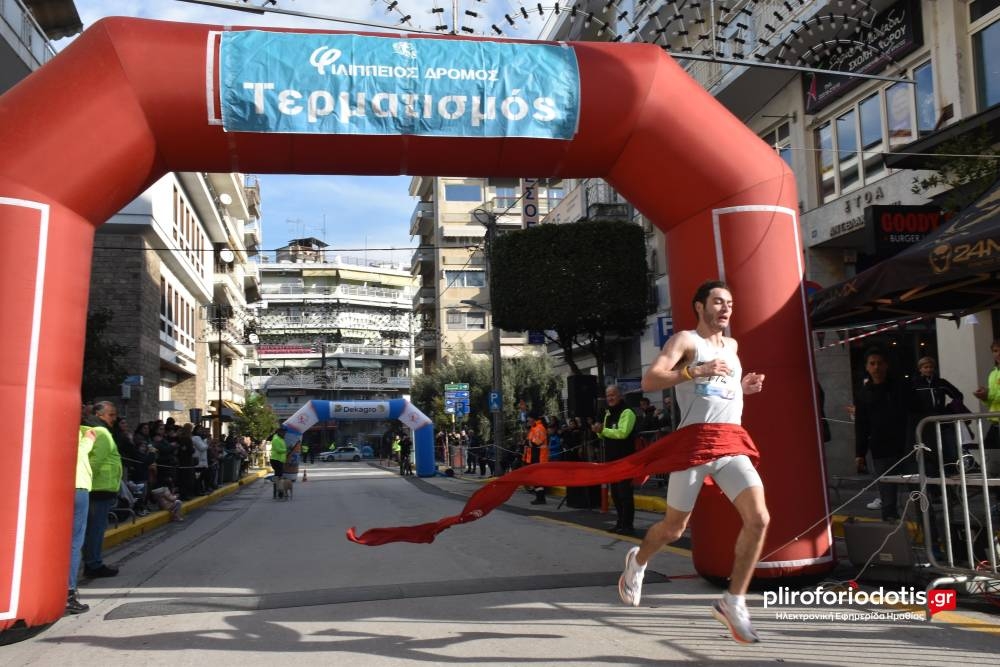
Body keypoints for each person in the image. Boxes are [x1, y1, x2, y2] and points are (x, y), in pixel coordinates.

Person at [618, 280, 767, 644]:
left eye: (730, 302)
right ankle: (636, 563)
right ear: (699, 306)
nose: (726, 308)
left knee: (759, 518)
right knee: (673, 529)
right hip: (696, 445)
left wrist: (742, 387)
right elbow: (650, 379)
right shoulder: (686, 341)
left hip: (731, 441)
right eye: (718, 301)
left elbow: (720, 389)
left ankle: (733, 601)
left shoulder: (732, 346)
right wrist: (693, 371)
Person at [854, 347, 912, 521]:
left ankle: (931, 538)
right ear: (867, 367)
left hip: (906, 448)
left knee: (918, 495)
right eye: (872, 364)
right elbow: (861, 425)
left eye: (879, 363)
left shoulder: (900, 387)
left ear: (886, 365)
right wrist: (860, 453)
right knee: (887, 499)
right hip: (881, 450)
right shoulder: (864, 394)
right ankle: (893, 537)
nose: (876, 367)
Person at [82, 401, 123, 579]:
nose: (114, 418)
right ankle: (94, 564)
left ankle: (93, 562)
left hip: (96, 487)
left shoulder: (90, 430)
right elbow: (95, 461)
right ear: (99, 415)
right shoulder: (102, 432)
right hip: (99, 487)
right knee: (96, 528)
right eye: (111, 414)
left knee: (93, 528)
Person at [592, 385, 638, 535]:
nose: (610, 398)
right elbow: (604, 434)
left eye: (613, 395)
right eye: (608, 395)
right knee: (616, 494)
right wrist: (598, 431)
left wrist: (603, 430)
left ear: (620, 395)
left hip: (626, 459)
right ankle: (619, 523)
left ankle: (628, 525)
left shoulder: (628, 412)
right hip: (612, 460)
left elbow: (622, 433)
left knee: (625, 493)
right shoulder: (607, 413)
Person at [911, 356, 964, 471]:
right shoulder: (915, 384)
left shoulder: (940, 382)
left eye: (931, 367)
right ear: (920, 369)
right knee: (930, 450)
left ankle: (953, 471)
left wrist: (950, 408)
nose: (928, 370)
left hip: (943, 420)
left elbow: (958, 395)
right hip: (925, 422)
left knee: (950, 447)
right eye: (925, 367)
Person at [67, 426, 96, 615]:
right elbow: (75, 453)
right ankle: (68, 593)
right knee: (74, 543)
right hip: (77, 487)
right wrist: (88, 440)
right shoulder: (77, 431)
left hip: (66, 486)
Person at [973, 340, 1000, 454]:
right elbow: (991, 402)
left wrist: (988, 395)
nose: (998, 354)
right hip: (995, 421)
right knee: (987, 455)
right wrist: (984, 397)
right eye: (995, 351)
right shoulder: (993, 373)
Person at [523, 413, 549, 504]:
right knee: (536, 478)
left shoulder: (539, 428)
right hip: (535, 456)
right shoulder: (534, 428)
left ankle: (541, 498)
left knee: (538, 478)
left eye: (529, 418)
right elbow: (528, 442)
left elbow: (536, 442)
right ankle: (539, 497)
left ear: (533, 419)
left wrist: (529, 443)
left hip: (539, 456)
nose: (527, 421)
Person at [270, 427, 288, 497]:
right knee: (279, 476)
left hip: (279, 460)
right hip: (276, 460)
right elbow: (278, 450)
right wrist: (286, 450)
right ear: (279, 432)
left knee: (278, 476)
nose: (285, 434)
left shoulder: (280, 438)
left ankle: (276, 492)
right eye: (284, 433)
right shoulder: (276, 439)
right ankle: (279, 492)